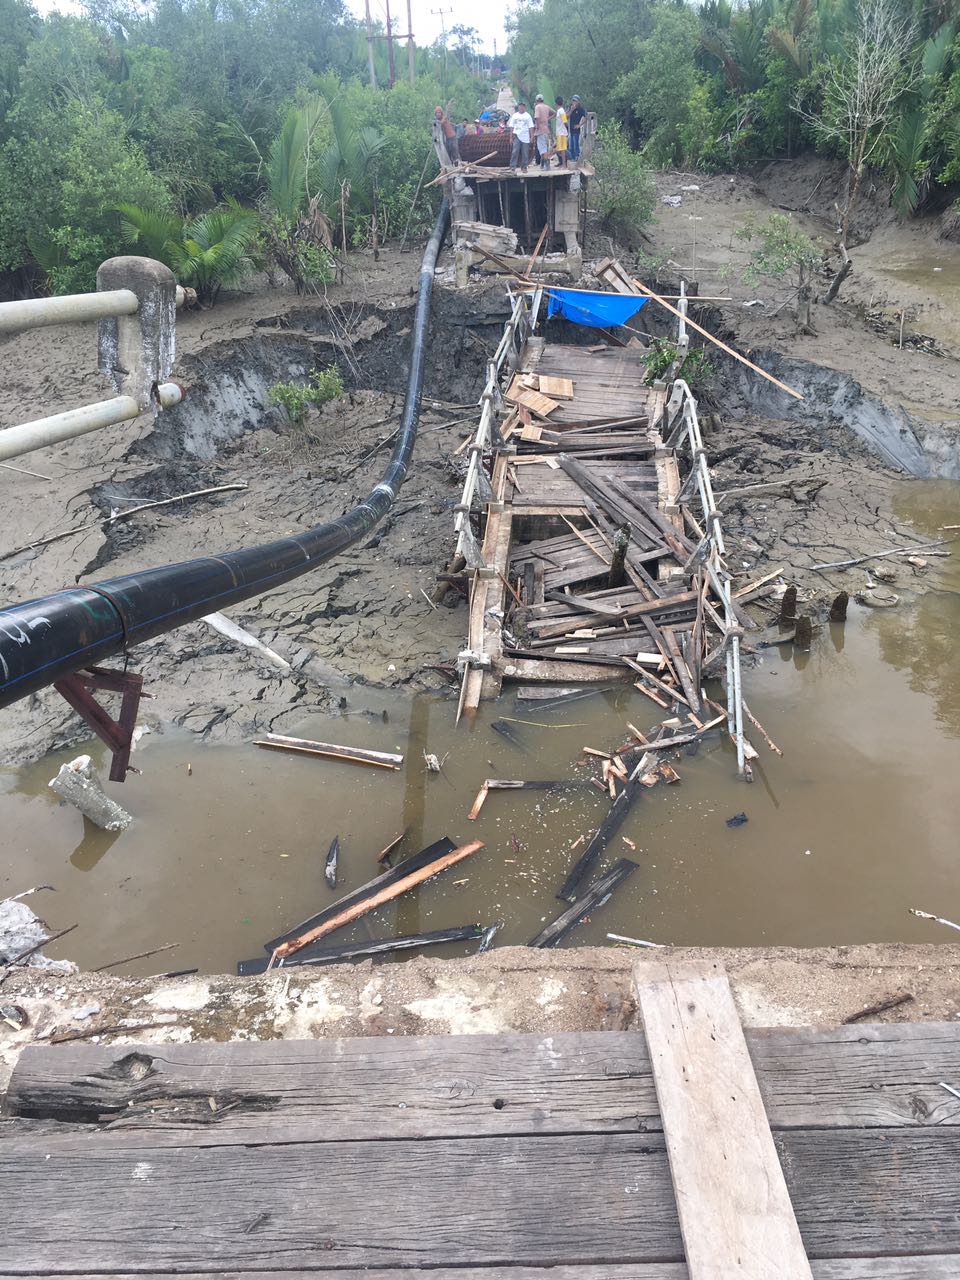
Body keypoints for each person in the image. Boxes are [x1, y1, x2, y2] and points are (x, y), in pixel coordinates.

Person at [507, 101, 534, 171]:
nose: (521, 107)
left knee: (525, 153)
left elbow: (531, 127)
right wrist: (510, 137)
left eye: (523, 106)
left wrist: (532, 137)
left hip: (525, 137)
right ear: (518, 107)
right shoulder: (515, 116)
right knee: (515, 151)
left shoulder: (528, 116)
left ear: (524, 107)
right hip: (517, 136)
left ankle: (524, 167)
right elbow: (511, 127)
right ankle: (512, 166)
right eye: (520, 106)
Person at [533, 93, 555, 170]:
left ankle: (547, 165)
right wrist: (547, 118)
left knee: (542, 149)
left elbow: (537, 118)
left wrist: (537, 127)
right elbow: (554, 113)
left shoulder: (537, 107)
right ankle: (542, 165)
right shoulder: (546, 107)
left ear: (536, 100)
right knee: (543, 148)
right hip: (546, 130)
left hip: (540, 130)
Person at [568, 95, 585, 164]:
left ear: (578, 101)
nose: (574, 102)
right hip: (571, 130)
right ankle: (572, 158)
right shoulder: (571, 108)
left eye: (575, 101)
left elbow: (586, 117)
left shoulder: (580, 109)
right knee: (571, 146)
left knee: (576, 145)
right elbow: (567, 116)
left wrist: (579, 125)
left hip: (576, 130)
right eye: (573, 100)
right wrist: (571, 110)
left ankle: (577, 158)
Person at [554, 96, 569, 167]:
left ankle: (564, 164)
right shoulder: (559, 111)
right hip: (560, 132)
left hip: (562, 133)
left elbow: (565, 121)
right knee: (560, 149)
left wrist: (567, 129)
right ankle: (563, 163)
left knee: (562, 150)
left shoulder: (561, 111)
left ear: (556, 103)